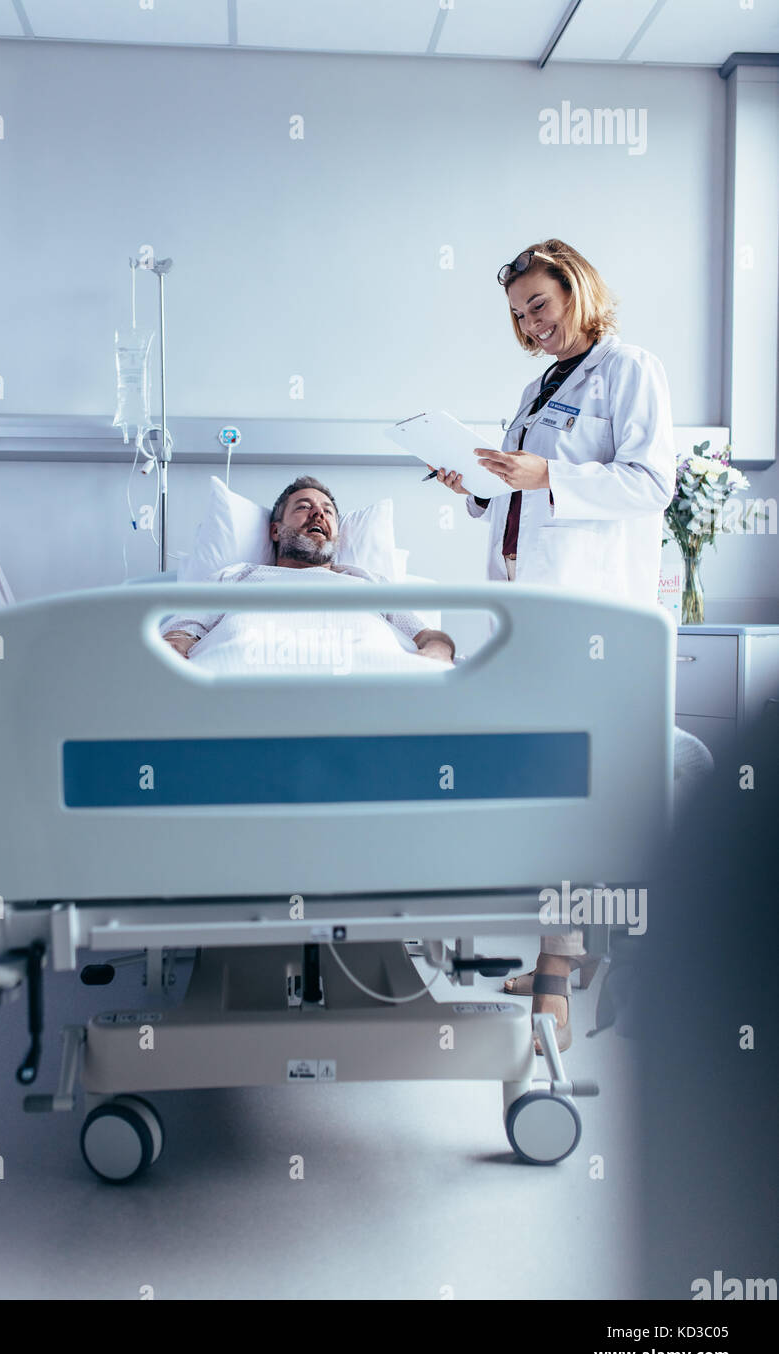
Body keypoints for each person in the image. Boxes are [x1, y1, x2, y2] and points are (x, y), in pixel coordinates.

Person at [433, 239, 676, 1050]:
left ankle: (557, 972)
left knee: (572, 785)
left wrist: (548, 480)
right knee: (546, 785)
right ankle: (560, 954)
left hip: (590, 616)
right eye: (517, 314)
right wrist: (472, 487)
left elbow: (650, 483)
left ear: (577, 290)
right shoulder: (539, 387)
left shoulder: (630, 368)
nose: (530, 324)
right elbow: (520, 496)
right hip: (528, 612)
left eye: (540, 304)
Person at [162, 476, 456, 666]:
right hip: (242, 676)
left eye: (328, 511)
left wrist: (432, 663)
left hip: (370, 681)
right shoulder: (237, 576)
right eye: (304, 507)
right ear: (275, 531)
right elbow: (181, 633)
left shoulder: (365, 581)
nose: (319, 514)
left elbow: (429, 638)